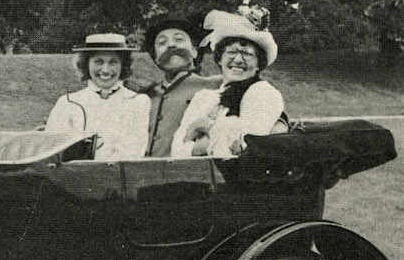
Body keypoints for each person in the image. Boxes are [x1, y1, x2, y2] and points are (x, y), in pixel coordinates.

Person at [172, 16, 287, 158]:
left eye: (247, 54)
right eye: (231, 52)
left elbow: (244, 146)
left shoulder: (263, 93)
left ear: (259, 64)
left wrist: (201, 128)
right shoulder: (203, 97)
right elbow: (176, 151)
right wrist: (211, 136)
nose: (238, 60)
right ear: (220, 59)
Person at [44, 31, 150, 156]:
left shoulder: (138, 102)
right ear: (86, 64)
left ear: (123, 65)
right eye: (98, 62)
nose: (105, 70)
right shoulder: (67, 103)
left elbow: (135, 151)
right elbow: (51, 151)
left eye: (113, 62)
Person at [142, 13, 216, 158]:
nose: (171, 45)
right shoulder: (146, 95)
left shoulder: (214, 86)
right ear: (156, 58)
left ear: (195, 51)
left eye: (179, 39)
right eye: (162, 43)